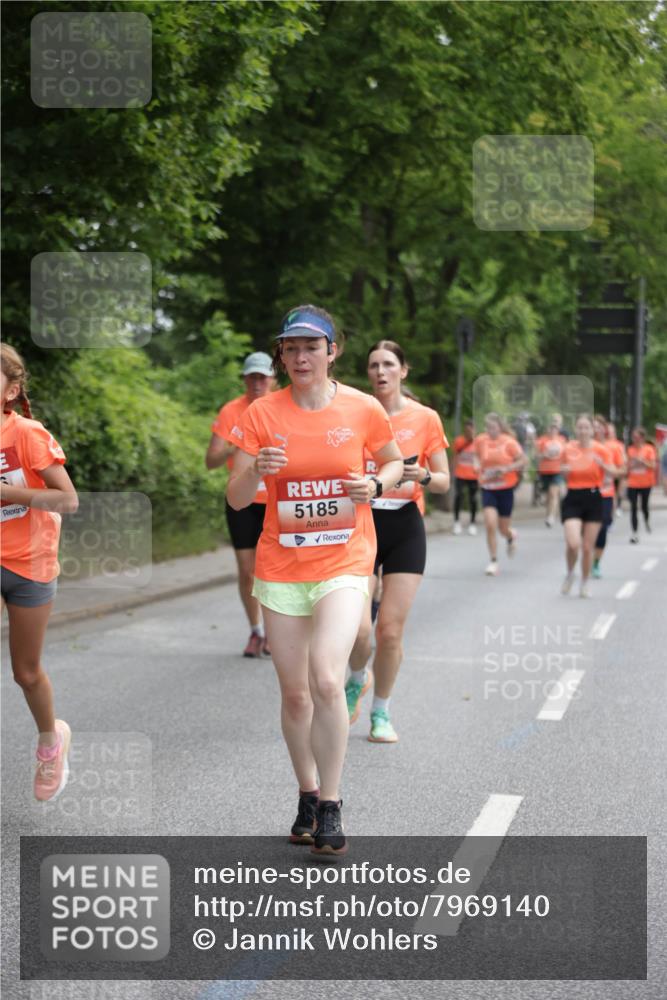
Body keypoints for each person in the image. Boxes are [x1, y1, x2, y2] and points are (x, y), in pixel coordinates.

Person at [227, 306, 402, 855]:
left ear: (333, 352)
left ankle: (331, 803)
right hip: (281, 566)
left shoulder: (363, 407)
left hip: (345, 562)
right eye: (291, 348)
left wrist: (374, 486)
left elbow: (394, 462)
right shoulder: (262, 414)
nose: (300, 357)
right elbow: (234, 497)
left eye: (311, 347)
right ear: (282, 354)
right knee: (295, 694)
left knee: (327, 679)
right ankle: (306, 792)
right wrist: (256, 470)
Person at [346, 341, 450, 743]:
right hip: (362, 524)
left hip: (406, 525)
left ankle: (381, 713)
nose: (380, 372)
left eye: (388, 364)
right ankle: (357, 678)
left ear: (403, 370)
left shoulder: (425, 418)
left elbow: (443, 481)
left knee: (389, 631)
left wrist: (419, 475)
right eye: (373, 365)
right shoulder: (355, 412)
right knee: (358, 631)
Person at [0, 344, 78, 801]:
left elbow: (68, 500)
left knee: (26, 674)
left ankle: (51, 740)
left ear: (10, 390)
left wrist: (11, 494)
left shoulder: (26, 433)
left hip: (29, 563)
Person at [206, 352, 275, 657]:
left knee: (272, 569)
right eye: (252, 377)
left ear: (272, 378)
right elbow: (211, 460)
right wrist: (238, 445)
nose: (258, 382)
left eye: (263, 377)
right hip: (242, 501)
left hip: (276, 501)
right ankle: (256, 631)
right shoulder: (231, 411)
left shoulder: (282, 407)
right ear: (245, 379)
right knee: (247, 571)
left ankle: (275, 631)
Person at [560, 413, 618, 597]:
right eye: (580, 427)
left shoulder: (601, 450)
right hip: (573, 497)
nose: (583, 431)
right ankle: (570, 574)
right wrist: (564, 471)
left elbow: (615, 473)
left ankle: (584, 583)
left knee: (587, 548)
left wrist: (603, 465)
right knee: (573, 543)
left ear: (592, 430)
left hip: (594, 497)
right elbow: (563, 473)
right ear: (576, 429)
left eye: (587, 427)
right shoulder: (568, 449)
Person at [474, 413, 527, 576]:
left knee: (503, 529)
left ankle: (511, 536)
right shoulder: (481, 440)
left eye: (493, 427)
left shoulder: (509, 442)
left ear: (500, 427)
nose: (490, 430)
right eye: (488, 427)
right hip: (488, 487)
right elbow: (476, 457)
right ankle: (493, 561)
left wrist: (506, 469)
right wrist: (477, 469)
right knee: (490, 524)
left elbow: (523, 460)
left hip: (505, 488)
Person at [591, 416, 626, 578]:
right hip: (584, 493)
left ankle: (596, 562)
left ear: (604, 429)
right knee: (586, 531)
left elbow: (621, 471)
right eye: (593, 427)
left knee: (602, 529)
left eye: (599, 427)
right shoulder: (581, 446)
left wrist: (604, 467)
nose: (596, 429)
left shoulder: (613, 448)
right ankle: (586, 557)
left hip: (605, 493)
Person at [626, 427, 657, 543]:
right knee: (633, 507)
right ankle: (634, 532)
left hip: (646, 483)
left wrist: (642, 461)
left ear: (642, 438)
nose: (635, 440)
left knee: (644, 506)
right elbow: (626, 467)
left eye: (637, 437)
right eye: (633, 437)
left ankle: (646, 519)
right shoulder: (630, 450)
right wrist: (632, 464)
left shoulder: (649, 449)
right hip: (632, 483)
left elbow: (653, 466)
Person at [535, 420, 565, 527]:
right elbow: (536, 456)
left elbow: (566, 454)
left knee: (553, 493)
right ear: (548, 429)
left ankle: (551, 516)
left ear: (557, 430)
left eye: (555, 428)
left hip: (557, 470)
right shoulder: (542, 440)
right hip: (545, 470)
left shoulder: (562, 440)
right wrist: (544, 455)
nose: (553, 430)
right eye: (551, 428)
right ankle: (549, 515)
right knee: (547, 496)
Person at [452, 419, 478, 535]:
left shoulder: (478, 443)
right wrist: (451, 472)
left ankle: (472, 523)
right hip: (460, 474)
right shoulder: (459, 441)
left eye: (471, 429)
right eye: (466, 429)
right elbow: (455, 456)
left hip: (474, 475)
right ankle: (457, 522)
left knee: (473, 499)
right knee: (458, 496)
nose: (468, 432)